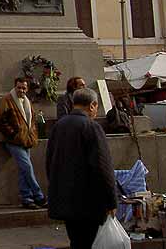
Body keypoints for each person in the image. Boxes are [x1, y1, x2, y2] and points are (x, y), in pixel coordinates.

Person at [46, 88, 117, 249]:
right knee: (88, 242)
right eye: (96, 107)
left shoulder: (59, 126)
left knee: (76, 242)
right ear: (92, 105)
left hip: (65, 200)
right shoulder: (92, 127)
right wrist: (111, 201)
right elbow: (103, 167)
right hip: (88, 203)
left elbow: (50, 162)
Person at [0, 77, 47, 209]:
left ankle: (26, 198)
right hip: (13, 141)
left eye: (24, 88)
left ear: (27, 89)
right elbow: (0, 119)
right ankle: (39, 196)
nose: (21, 90)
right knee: (27, 167)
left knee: (24, 169)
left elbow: (31, 120)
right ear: (14, 87)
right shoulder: (6, 100)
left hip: (25, 139)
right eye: (19, 87)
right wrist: (13, 134)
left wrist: (31, 134)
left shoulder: (27, 101)